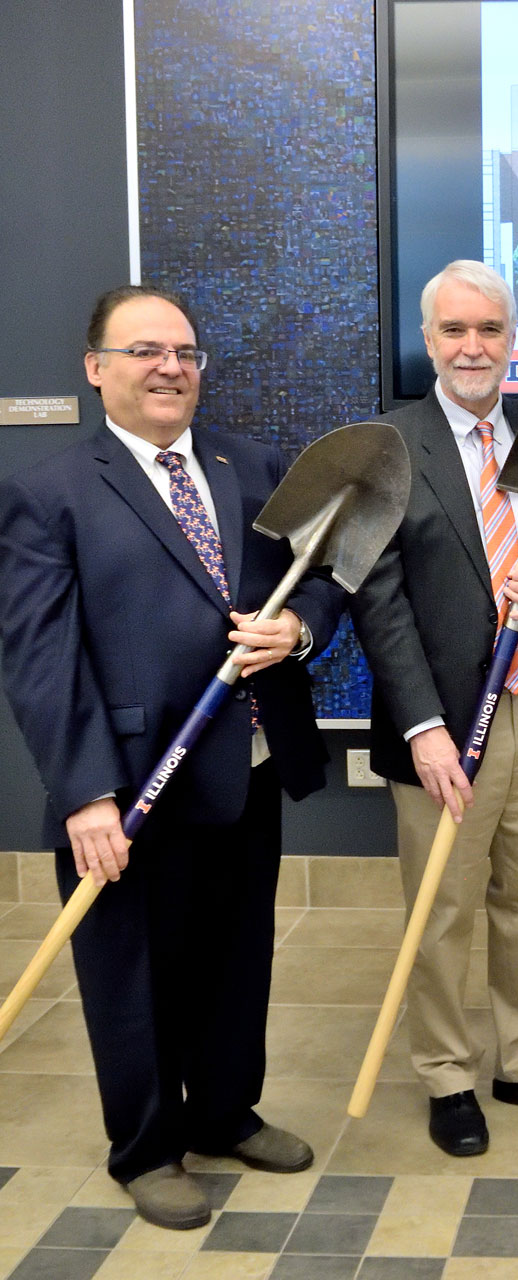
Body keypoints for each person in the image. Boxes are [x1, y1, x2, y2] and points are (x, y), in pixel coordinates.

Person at [0, 286, 345, 1229]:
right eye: (145, 350)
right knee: (134, 974)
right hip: (129, 786)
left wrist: (299, 636)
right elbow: (40, 657)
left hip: (246, 769)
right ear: (95, 367)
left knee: (237, 959)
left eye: (186, 352)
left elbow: (316, 589)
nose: (170, 368)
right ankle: (147, 1147)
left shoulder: (252, 464)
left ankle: (227, 1110)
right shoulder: (50, 493)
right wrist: (83, 795)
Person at [351, 260, 518, 1156]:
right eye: (455, 330)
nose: (474, 347)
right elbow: (377, 602)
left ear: (512, 341)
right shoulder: (389, 442)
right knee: (442, 907)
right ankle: (447, 1073)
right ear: (428, 341)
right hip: (441, 725)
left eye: (490, 330)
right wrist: (423, 728)